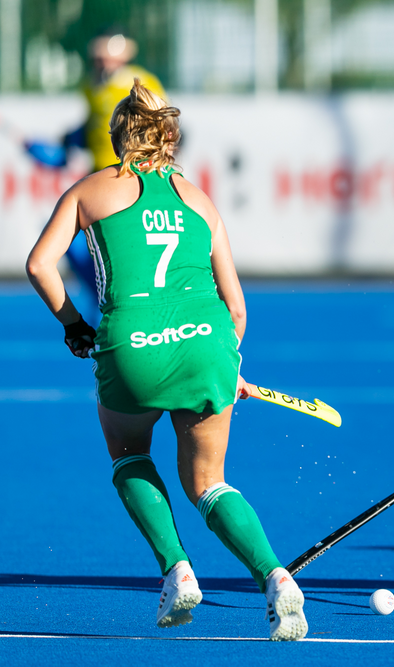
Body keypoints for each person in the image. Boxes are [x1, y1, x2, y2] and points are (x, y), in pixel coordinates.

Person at [24, 80, 307, 641]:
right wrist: (227, 365)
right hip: (207, 343)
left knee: (129, 453)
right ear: (172, 139)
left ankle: (178, 570)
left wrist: (74, 325)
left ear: (116, 137)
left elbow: (39, 265)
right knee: (207, 482)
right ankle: (276, 578)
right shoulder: (201, 201)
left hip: (132, 347)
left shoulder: (89, 190)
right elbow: (237, 308)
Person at [22, 30, 168, 326]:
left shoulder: (143, 83)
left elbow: (163, 127)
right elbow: (91, 128)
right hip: (104, 178)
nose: (102, 63)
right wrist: (67, 142)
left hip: (133, 177)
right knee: (78, 247)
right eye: (98, 57)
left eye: (108, 57)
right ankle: (104, 303)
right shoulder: (91, 87)